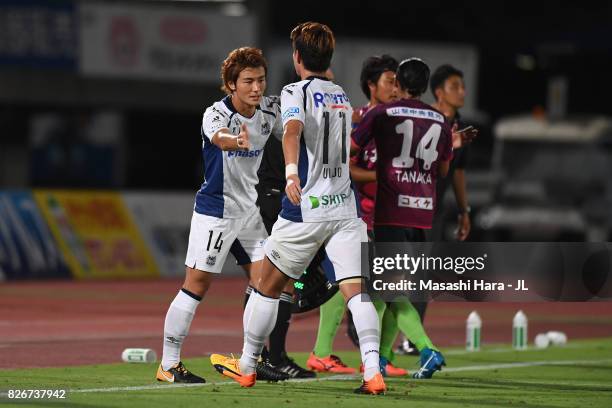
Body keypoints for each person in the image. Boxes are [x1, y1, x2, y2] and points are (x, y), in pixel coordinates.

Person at [211, 22, 387, 395]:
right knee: (357, 293)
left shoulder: (295, 90)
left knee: (265, 288)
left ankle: (246, 366)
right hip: (345, 210)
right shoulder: (340, 93)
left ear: (296, 57)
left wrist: (291, 174)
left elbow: (291, 131)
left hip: (306, 210)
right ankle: (373, 372)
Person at [156, 47, 281, 384]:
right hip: (216, 212)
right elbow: (219, 138)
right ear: (231, 84)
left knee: (267, 284)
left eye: (261, 81)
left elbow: (299, 127)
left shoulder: (270, 110)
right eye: (248, 81)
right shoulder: (215, 114)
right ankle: (169, 364)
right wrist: (234, 141)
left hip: (249, 213)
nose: (257, 88)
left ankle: (248, 361)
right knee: (196, 286)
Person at [307, 55, 409, 377]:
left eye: (398, 82)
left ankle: (377, 356)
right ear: (371, 85)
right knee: (353, 284)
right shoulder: (357, 120)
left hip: (394, 215)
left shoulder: (399, 123)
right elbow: (344, 167)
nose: (396, 88)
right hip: (362, 215)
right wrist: (382, 177)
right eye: (390, 81)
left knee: (390, 288)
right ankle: (329, 352)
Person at [353, 57, 451, 379]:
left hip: (390, 211)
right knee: (392, 291)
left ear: (398, 85)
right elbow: (444, 169)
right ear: (424, 86)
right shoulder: (441, 120)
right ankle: (379, 359)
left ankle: (427, 349)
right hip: (422, 215)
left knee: (386, 290)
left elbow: (351, 145)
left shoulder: (383, 113)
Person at [396, 64, 478, 356]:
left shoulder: (460, 126)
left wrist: (464, 210)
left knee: (421, 275)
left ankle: (409, 338)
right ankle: (370, 332)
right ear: (439, 91)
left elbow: (458, 172)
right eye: (456, 86)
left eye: (463, 86)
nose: (462, 92)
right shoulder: (426, 120)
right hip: (407, 204)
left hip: (434, 210)